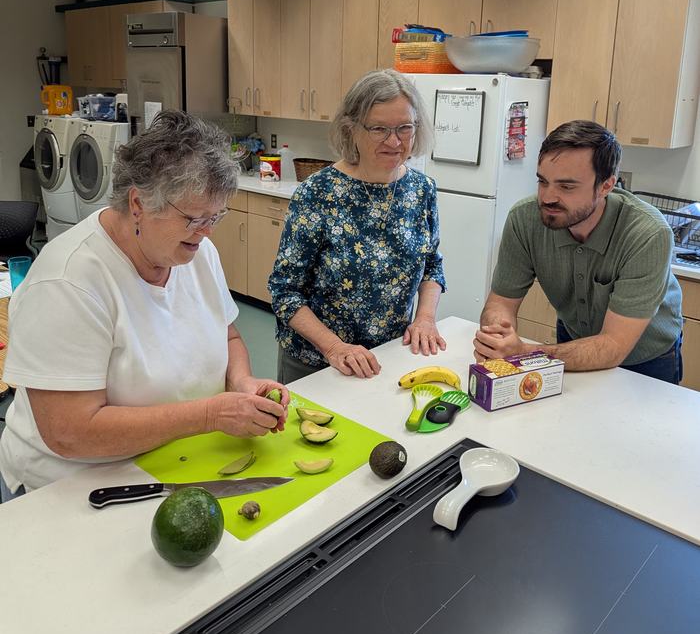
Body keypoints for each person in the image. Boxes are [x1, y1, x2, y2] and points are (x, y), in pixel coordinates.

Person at [0, 111, 289, 500]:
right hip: (72, 486)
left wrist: (242, 384)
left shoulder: (195, 253)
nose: (207, 232)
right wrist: (210, 415)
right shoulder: (69, 281)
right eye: (194, 218)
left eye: (216, 216)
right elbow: (69, 432)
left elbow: (228, 334)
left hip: (169, 459)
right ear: (138, 203)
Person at [269, 69, 446, 384]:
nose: (394, 141)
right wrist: (335, 348)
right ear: (351, 129)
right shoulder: (317, 193)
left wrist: (425, 319)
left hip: (389, 358)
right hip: (318, 365)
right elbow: (285, 291)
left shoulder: (421, 190)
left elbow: (432, 265)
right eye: (379, 128)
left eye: (405, 127)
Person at [474, 120, 683, 384]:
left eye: (567, 186)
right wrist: (498, 332)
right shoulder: (524, 219)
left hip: (646, 359)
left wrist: (524, 353)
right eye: (542, 181)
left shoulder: (647, 233)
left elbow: (613, 347)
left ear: (606, 185)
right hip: (573, 342)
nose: (547, 197)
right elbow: (501, 302)